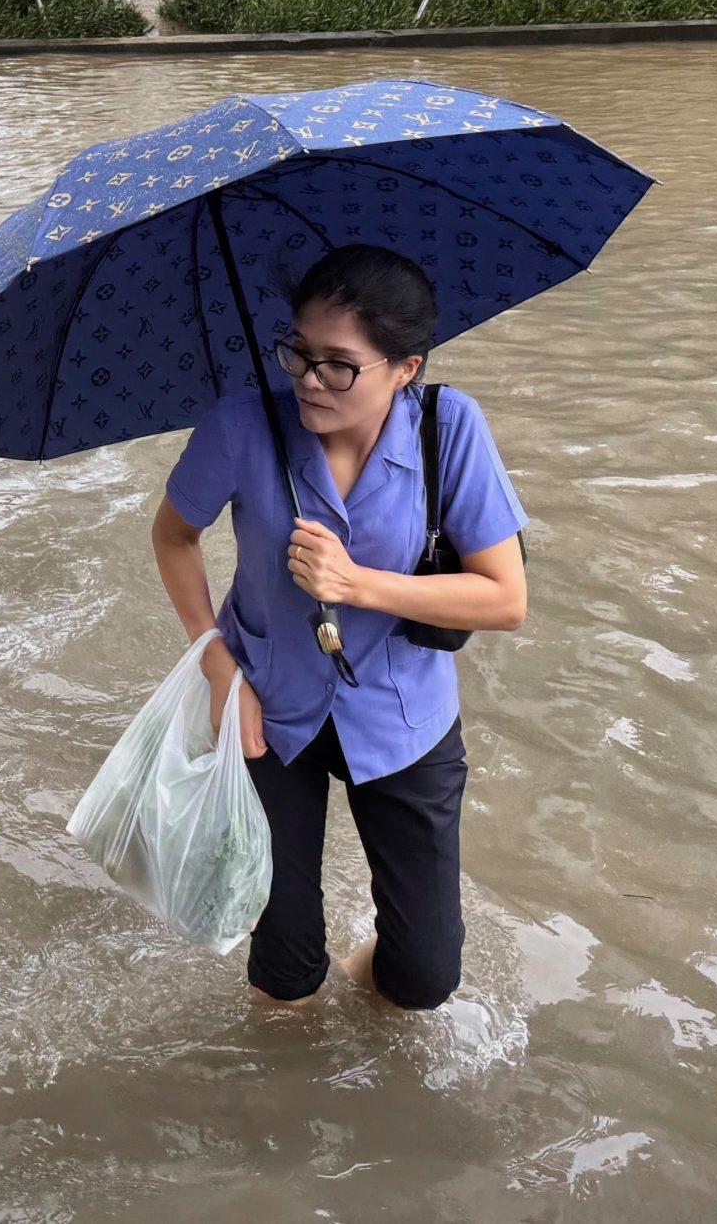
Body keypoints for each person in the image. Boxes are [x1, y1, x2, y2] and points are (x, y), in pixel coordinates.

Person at [151, 245, 528, 1013]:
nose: (309, 380)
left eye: (338, 365)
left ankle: (369, 982)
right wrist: (215, 661)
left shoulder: (448, 430)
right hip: (267, 710)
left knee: (423, 979)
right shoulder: (241, 424)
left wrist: (355, 583)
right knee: (284, 970)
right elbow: (172, 537)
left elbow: (504, 597)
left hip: (403, 716)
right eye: (298, 352)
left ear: (405, 367)